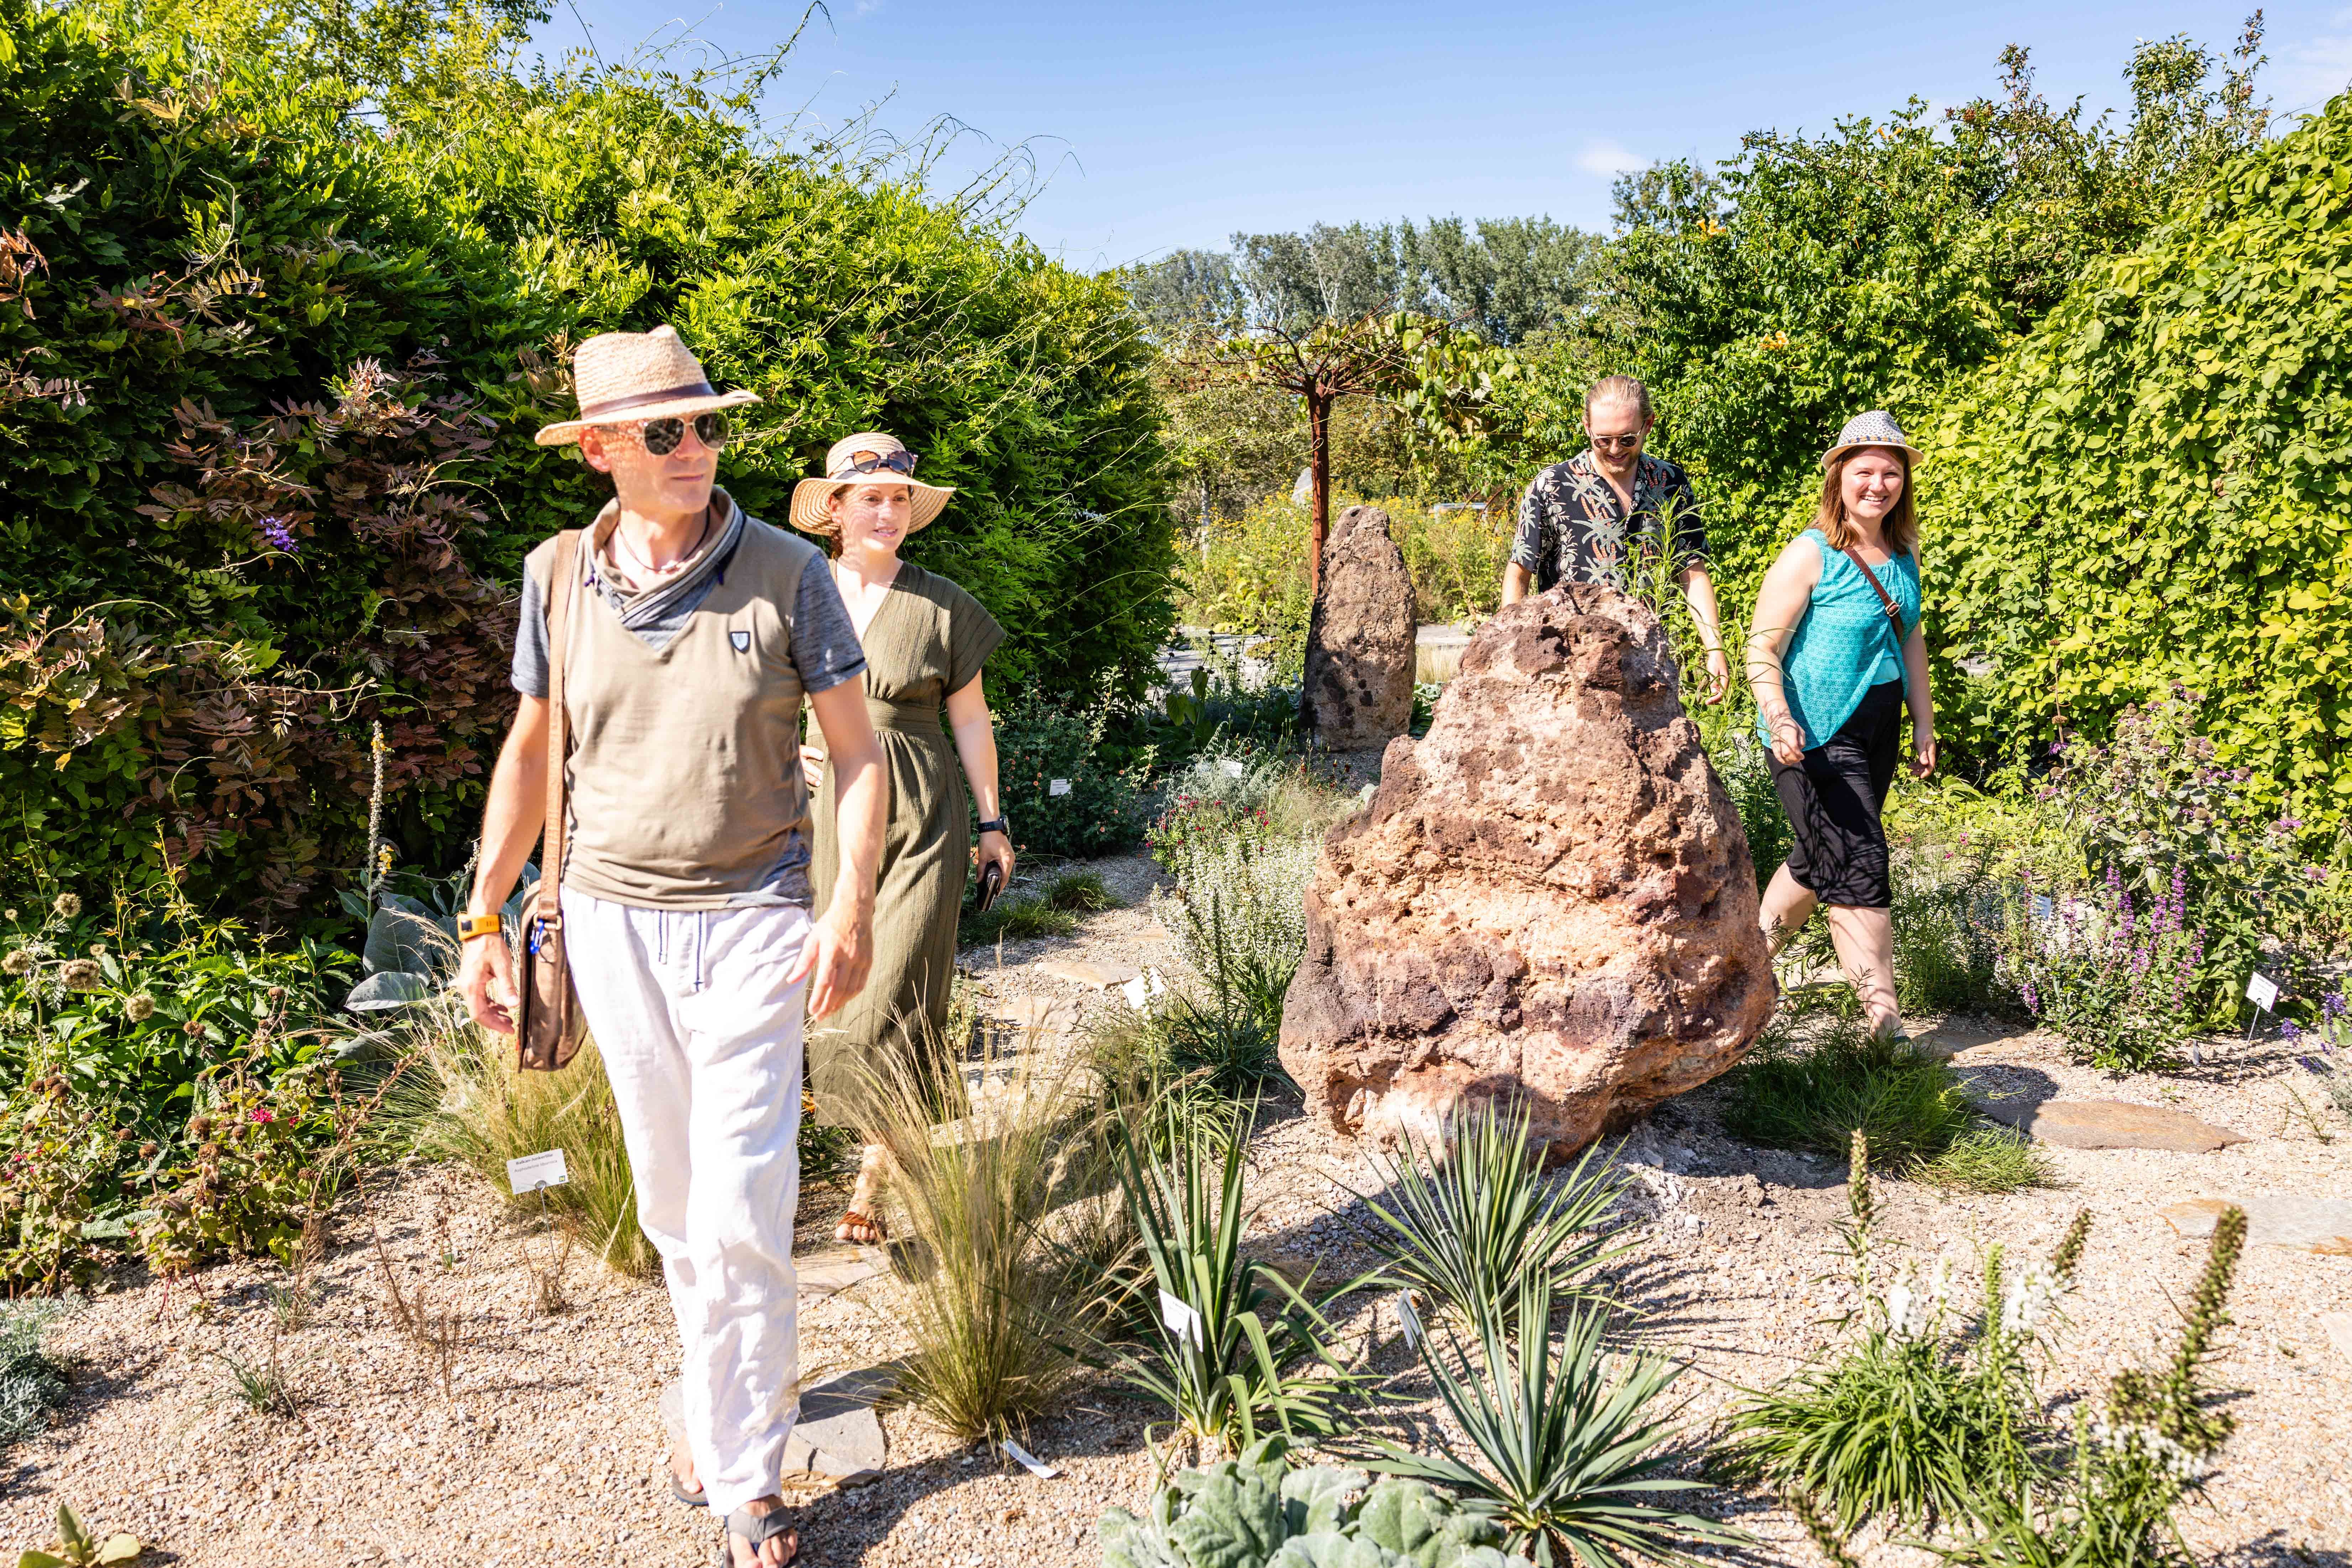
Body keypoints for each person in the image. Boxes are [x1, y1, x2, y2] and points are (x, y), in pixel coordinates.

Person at [455, 325, 887, 1568]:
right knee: (675, 1208)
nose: (695, 446)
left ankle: (746, 1473)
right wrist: (485, 916)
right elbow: (531, 751)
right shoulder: (554, 575)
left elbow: (858, 756)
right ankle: (719, 1404)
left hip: (754, 917)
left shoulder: (788, 572)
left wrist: (849, 905)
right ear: (600, 450)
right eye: (664, 430)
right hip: (607, 922)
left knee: (744, 1199)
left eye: (706, 424)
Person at [788, 432, 1013, 1246]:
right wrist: (787, 747)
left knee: (900, 986)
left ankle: (873, 1176)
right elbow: (756, 694)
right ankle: (886, 1133)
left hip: (923, 815)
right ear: (836, 510)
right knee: (836, 988)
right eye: (871, 499)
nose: (888, 513)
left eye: (899, 500)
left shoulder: (942, 605)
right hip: (829, 815)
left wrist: (991, 822)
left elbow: (971, 720)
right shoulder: (800, 595)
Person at [1746, 410, 1936, 1040]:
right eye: (1864, 472)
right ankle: (1885, 1028)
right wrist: (1778, 717)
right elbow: (1761, 646)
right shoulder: (1811, 553)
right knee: (1858, 861)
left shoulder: (1903, 552)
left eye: (1890, 473)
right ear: (1838, 478)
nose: (1877, 485)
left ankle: (1739, 973)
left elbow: (1909, 639)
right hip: (1811, 737)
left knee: (1817, 857)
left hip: (1876, 730)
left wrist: (1922, 723)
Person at [1502, 374, 1732, 703]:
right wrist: (1514, 648)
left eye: (1627, 439)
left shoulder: (1670, 482)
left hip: (1649, 666)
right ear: (1587, 428)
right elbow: (1519, 573)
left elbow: (1692, 573)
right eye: (1603, 440)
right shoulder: (1552, 485)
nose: (1614, 450)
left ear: (1648, 425)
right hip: (1570, 671)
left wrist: (1714, 649)